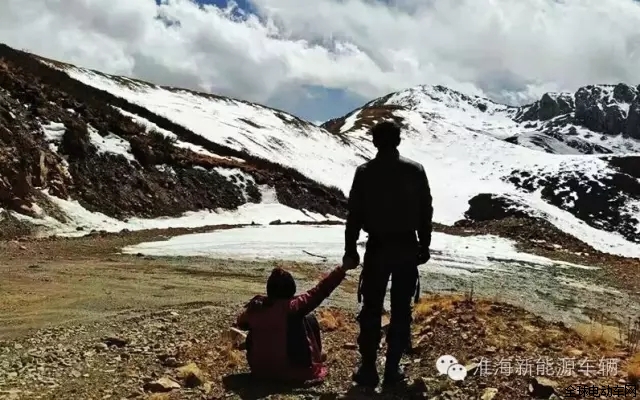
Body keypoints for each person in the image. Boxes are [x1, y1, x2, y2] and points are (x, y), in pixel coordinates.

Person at [343, 120, 433, 388]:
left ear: (374, 142)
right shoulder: (415, 171)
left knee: (371, 308)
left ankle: (369, 368)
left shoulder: (365, 172)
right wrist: (424, 244)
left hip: (377, 247)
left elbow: (354, 215)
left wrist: (350, 248)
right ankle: (392, 370)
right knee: (401, 309)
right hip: (406, 247)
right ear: (398, 141)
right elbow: (425, 210)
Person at [235, 264, 355, 383]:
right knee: (309, 317)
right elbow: (320, 291)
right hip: (292, 372)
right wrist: (342, 269)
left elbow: (241, 323)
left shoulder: (257, 306)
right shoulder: (293, 307)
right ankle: (312, 360)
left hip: (260, 371)